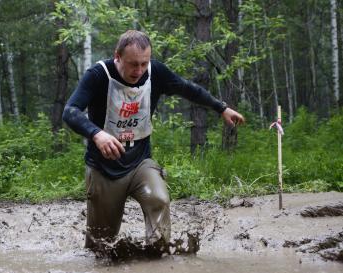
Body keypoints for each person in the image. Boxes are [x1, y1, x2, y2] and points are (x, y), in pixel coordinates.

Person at [63, 30, 244, 251]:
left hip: (140, 163)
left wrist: (221, 107)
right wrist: (97, 134)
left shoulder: (155, 71)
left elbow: (187, 88)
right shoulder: (98, 75)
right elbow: (70, 111)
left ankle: (157, 257)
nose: (139, 70)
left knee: (159, 199)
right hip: (103, 168)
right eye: (133, 64)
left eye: (144, 63)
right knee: (100, 246)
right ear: (117, 56)